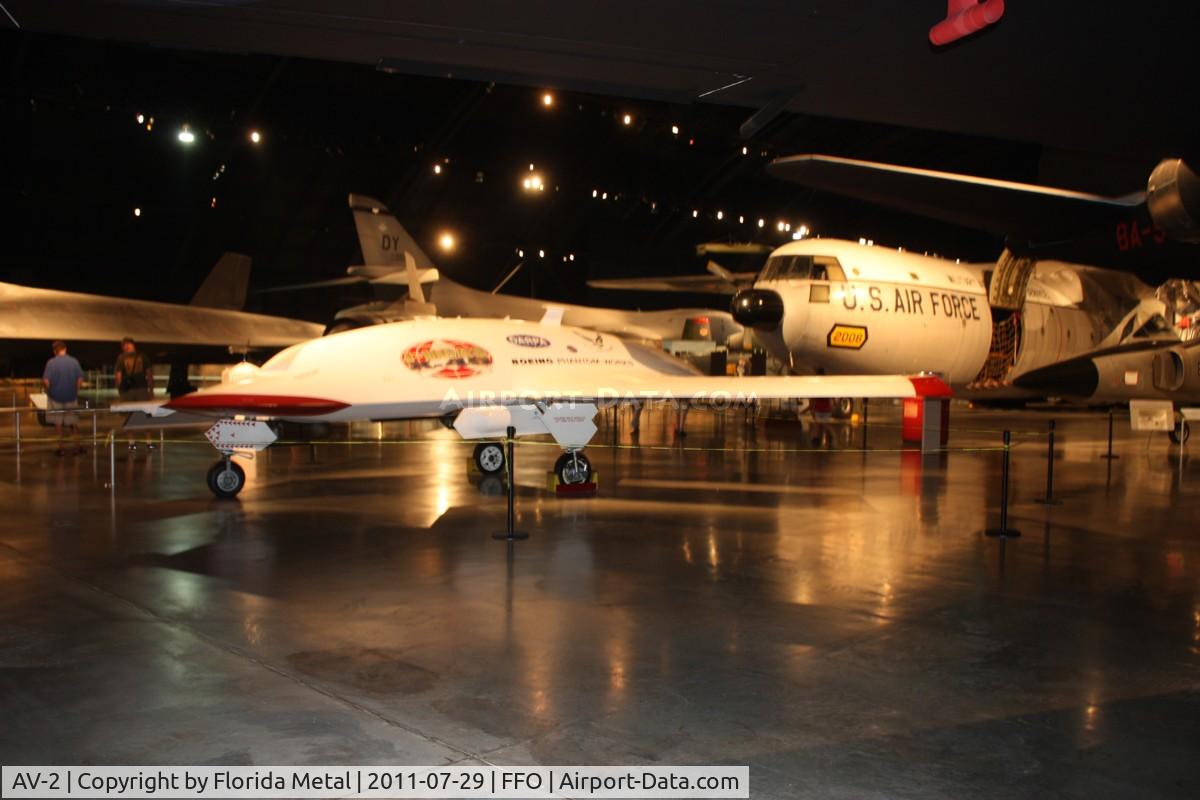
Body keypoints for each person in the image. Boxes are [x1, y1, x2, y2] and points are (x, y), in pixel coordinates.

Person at [42, 340, 85, 456]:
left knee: (58, 424)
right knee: (73, 423)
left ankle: (61, 448)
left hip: (55, 397)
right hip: (71, 397)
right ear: (65, 349)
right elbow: (80, 379)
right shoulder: (74, 361)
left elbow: (46, 381)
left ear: (55, 351)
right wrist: (76, 390)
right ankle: (78, 446)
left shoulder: (51, 363)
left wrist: (49, 390)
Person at [114, 337, 155, 450]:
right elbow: (149, 374)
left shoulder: (121, 358)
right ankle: (148, 442)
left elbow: (118, 376)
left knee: (128, 417)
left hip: (127, 391)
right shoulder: (143, 356)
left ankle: (131, 443)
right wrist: (151, 390)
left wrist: (120, 391)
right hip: (142, 389)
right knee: (145, 416)